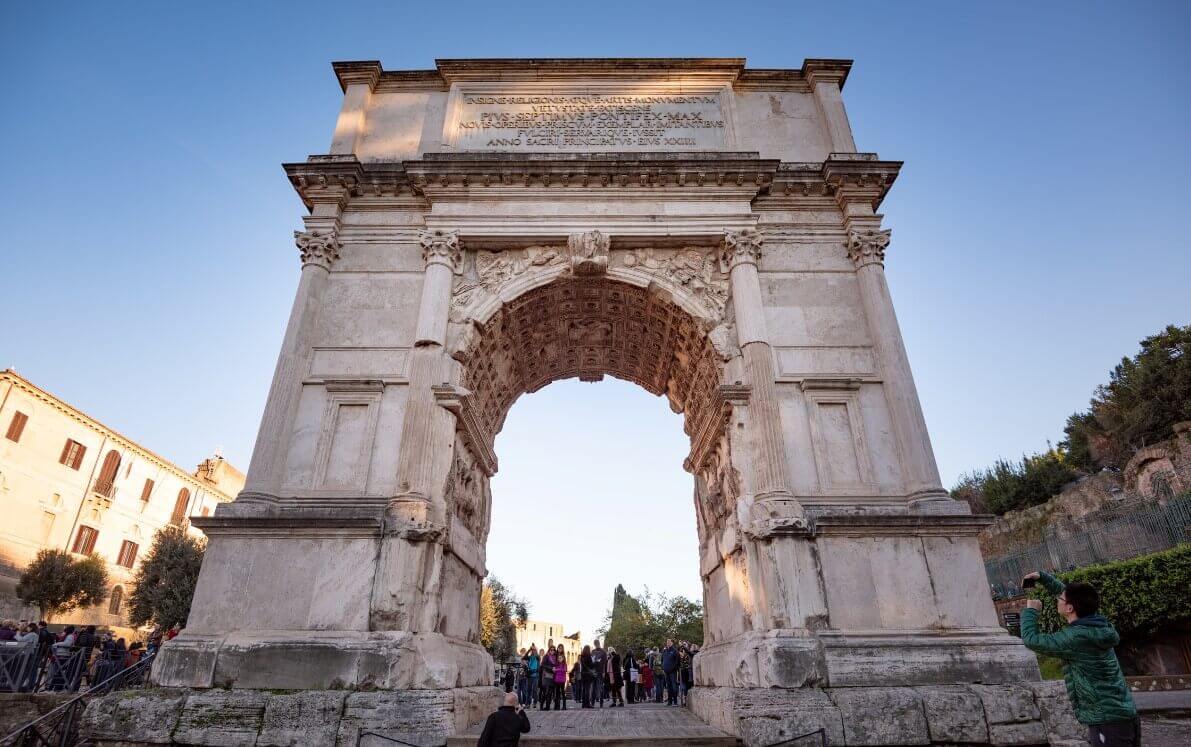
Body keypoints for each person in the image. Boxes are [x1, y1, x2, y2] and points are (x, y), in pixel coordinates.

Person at [1020, 571, 1139, 747]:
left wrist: (1031, 611)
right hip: (1124, 715)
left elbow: (1032, 639)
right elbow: (1072, 595)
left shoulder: (1075, 639)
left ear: (1070, 608)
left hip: (1106, 721)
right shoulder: (1098, 624)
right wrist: (1043, 578)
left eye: (1060, 599)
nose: (1057, 600)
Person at [661, 639, 680, 706]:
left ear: (672, 643)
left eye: (669, 642)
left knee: (674, 686)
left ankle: (675, 702)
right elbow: (662, 660)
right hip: (666, 672)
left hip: (673, 672)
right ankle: (669, 702)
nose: (668, 643)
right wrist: (663, 667)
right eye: (667, 642)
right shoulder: (664, 651)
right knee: (668, 687)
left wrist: (673, 668)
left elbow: (677, 661)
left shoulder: (675, 651)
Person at [550, 645, 567, 711]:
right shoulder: (556, 661)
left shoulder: (564, 663)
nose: (560, 649)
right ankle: (557, 706)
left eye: (561, 648)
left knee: (562, 692)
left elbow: (564, 670)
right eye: (559, 648)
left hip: (562, 680)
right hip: (557, 680)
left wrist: (556, 669)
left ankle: (564, 706)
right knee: (557, 693)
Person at [590, 640, 606, 707]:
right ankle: (593, 703)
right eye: (595, 644)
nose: (596, 645)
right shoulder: (593, 652)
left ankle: (601, 703)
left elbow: (605, 662)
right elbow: (591, 661)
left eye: (597, 644)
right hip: (594, 671)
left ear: (598, 644)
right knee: (593, 688)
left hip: (600, 671)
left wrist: (603, 672)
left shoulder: (603, 652)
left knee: (600, 687)